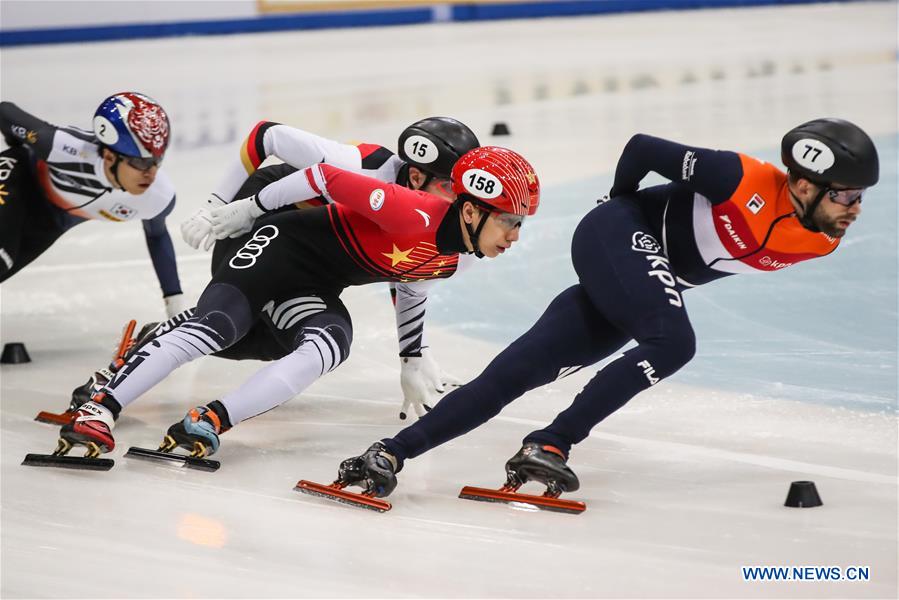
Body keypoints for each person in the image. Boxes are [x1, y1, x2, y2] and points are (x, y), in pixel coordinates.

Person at [331, 117, 880, 501]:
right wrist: (616, 202)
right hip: (620, 234)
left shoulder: (822, 238)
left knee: (515, 374)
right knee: (674, 341)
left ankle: (387, 454)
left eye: (859, 197)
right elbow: (643, 147)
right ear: (804, 184)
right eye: (845, 196)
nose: (855, 209)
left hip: (636, 277)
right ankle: (553, 441)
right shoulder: (740, 178)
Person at [52, 144, 540, 460]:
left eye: (521, 224)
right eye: (510, 222)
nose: (515, 236)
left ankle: (212, 419)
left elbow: (413, 284)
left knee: (329, 344)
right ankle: (101, 406)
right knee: (219, 326)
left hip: (311, 287)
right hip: (274, 248)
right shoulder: (412, 210)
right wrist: (245, 208)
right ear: (472, 210)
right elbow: (323, 176)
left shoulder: (465, 254)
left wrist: (411, 359)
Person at [66, 117, 482, 421]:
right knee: (227, 322)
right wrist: (218, 207)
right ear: (414, 176)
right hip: (259, 218)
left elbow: (408, 272)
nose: (458, 201)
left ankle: (156, 340)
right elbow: (267, 135)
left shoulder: (429, 216)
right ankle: (120, 378)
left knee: (272, 341)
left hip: (309, 259)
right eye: (450, 187)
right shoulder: (361, 167)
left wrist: (411, 357)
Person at [0, 92, 186, 317]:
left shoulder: (158, 197)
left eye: (158, 160)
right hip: (18, 178)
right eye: (141, 162)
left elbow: (157, 236)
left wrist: (174, 301)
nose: (152, 172)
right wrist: (16, 146)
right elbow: (5, 111)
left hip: (52, 222)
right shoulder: (65, 148)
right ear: (109, 157)